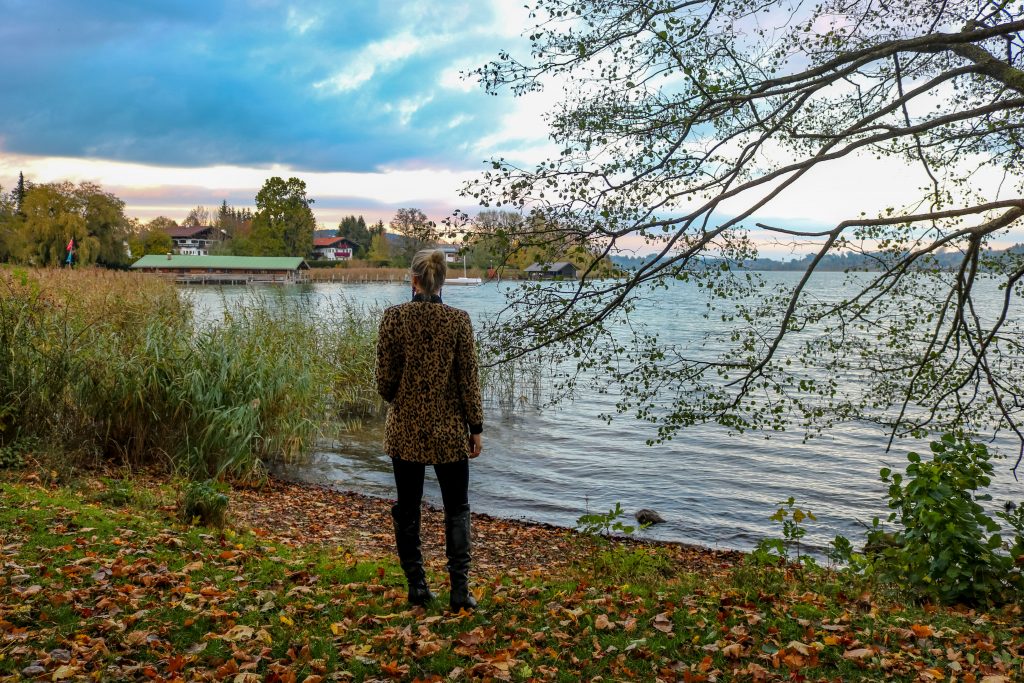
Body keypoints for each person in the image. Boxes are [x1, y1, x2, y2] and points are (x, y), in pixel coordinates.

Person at [375, 249, 484, 611]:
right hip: (450, 433)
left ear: (414, 280)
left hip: (405, 431)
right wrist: (476, 427)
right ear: (442, 282)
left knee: (408, 509)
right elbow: (469, 380)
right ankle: (459, 591)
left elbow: (385, 386)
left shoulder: (393, 318)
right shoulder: (459, 322)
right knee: (457, 508)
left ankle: (418, 587)